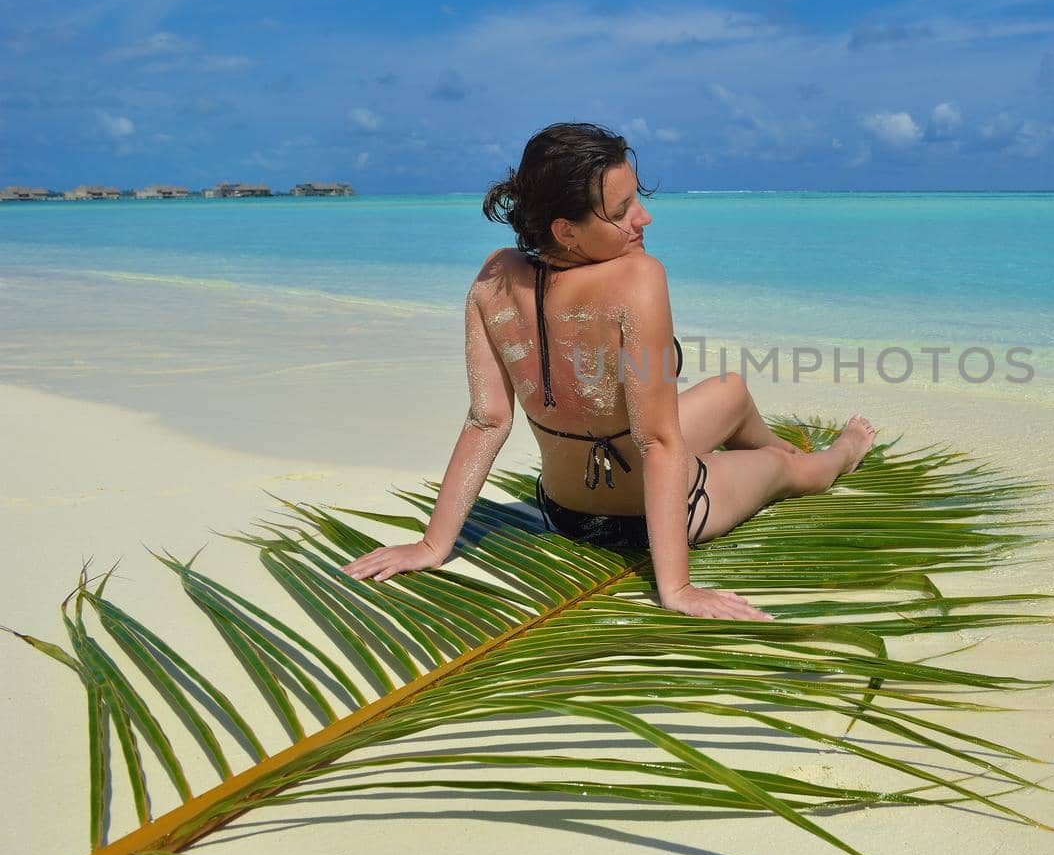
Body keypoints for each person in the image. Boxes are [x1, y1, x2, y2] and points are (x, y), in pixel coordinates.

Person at [339, 122, 875, 621]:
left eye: (638, 198)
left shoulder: (495, 277)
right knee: (793, 476)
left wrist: (434, 545)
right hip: (662, 515)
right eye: (622, 211)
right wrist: (677, 590)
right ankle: (838, 454)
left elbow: (487, 421)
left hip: (565, 510)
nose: (644, 217)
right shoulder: (637, 279)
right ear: (566, 231)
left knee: (731, 390)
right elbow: (659, 442)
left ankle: (777, 445)